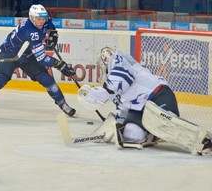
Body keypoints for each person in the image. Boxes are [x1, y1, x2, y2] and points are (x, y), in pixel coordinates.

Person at [78, 46, 212, 156]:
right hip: (141, 110)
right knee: (131, 135)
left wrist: (103, 92)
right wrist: (114, 127)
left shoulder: (118, 59)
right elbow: (122, 112)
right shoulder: (113, 88)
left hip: (157, 94)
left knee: (163, 121)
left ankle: (204, 139)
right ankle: (154, 134)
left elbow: (123, 76)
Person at [0, 4, 76, 117]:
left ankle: (63, 104)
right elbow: (42, 60)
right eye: (38, 19)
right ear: (31, 18)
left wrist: (53, 33)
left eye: (43, 19)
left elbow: (49, 23)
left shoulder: (44, 20)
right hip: (10, 53)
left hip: (27, 55)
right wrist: (60, 65)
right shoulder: (31, 32)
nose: (41, 22)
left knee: (47, 79)